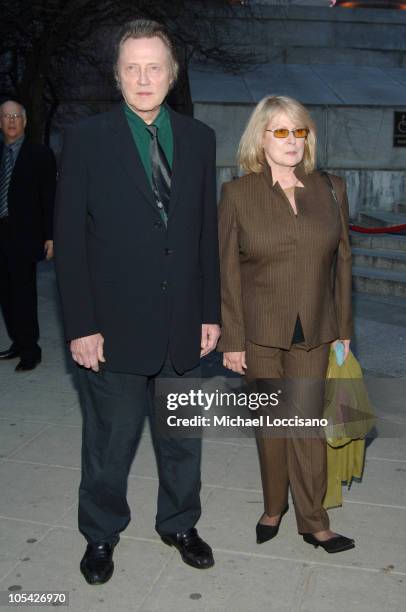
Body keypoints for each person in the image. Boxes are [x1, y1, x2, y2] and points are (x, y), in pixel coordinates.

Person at [54, 19, 221, 585]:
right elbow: (71, 242)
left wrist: (211, 313)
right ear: (117, 75)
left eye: (155, 67)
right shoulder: (85, 138)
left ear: (171, 76)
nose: (143, 78)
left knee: (181, 440)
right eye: (132, 67)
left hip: (183, 326)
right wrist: (81, 325)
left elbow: (205, 235)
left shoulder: (199, 140)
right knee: (109, 443)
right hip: (113, 328)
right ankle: (100, 533)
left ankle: (179, 522)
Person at [217, 95, 355, 554]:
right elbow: (228, 273)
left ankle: (314, 521)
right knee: (271, 427)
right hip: (259, 334)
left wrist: (344, 335)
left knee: (308, 425)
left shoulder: (332, 188)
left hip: (316, 331)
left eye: (299, 131)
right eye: (280, 131)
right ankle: (273, 505)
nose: (292, 140)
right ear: (261, 137)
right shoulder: (238, 195)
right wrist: (232, 341)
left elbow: (343, 266)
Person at [0, 100, 56, 372]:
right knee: (6, 295)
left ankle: (31, 350)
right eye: (6, 116)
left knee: (23, 294)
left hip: (24, 235)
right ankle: (17, 342)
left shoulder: (40, 154)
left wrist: (50, 236)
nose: (11, 121)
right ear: (0, 122)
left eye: (16, 116)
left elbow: (49, 198)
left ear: (25, 121)